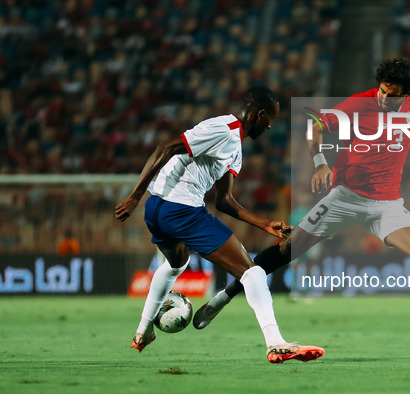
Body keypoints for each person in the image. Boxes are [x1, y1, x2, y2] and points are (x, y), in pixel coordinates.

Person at [194, 58, 410, 349]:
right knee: (286, 250)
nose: (383, 97)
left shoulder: (409, 101)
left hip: (387, 203)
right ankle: (223, 297)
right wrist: (320, 163)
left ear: (405, 93)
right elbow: (315, 127)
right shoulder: (359, 104)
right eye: (382, 89)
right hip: (345, 197)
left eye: (391, 94)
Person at [115, 87, 324, 363]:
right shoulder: (223, 129)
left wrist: (265, 224)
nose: (270, 125)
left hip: (159, 211)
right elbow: (165, 148)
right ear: (259, 114)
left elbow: (225, 201)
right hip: (180, 209)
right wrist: (134, 196)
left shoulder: (235, 148)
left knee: (177, 263)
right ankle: (276, 343)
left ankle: (143, 332)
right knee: (253, 273)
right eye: (269, 118)